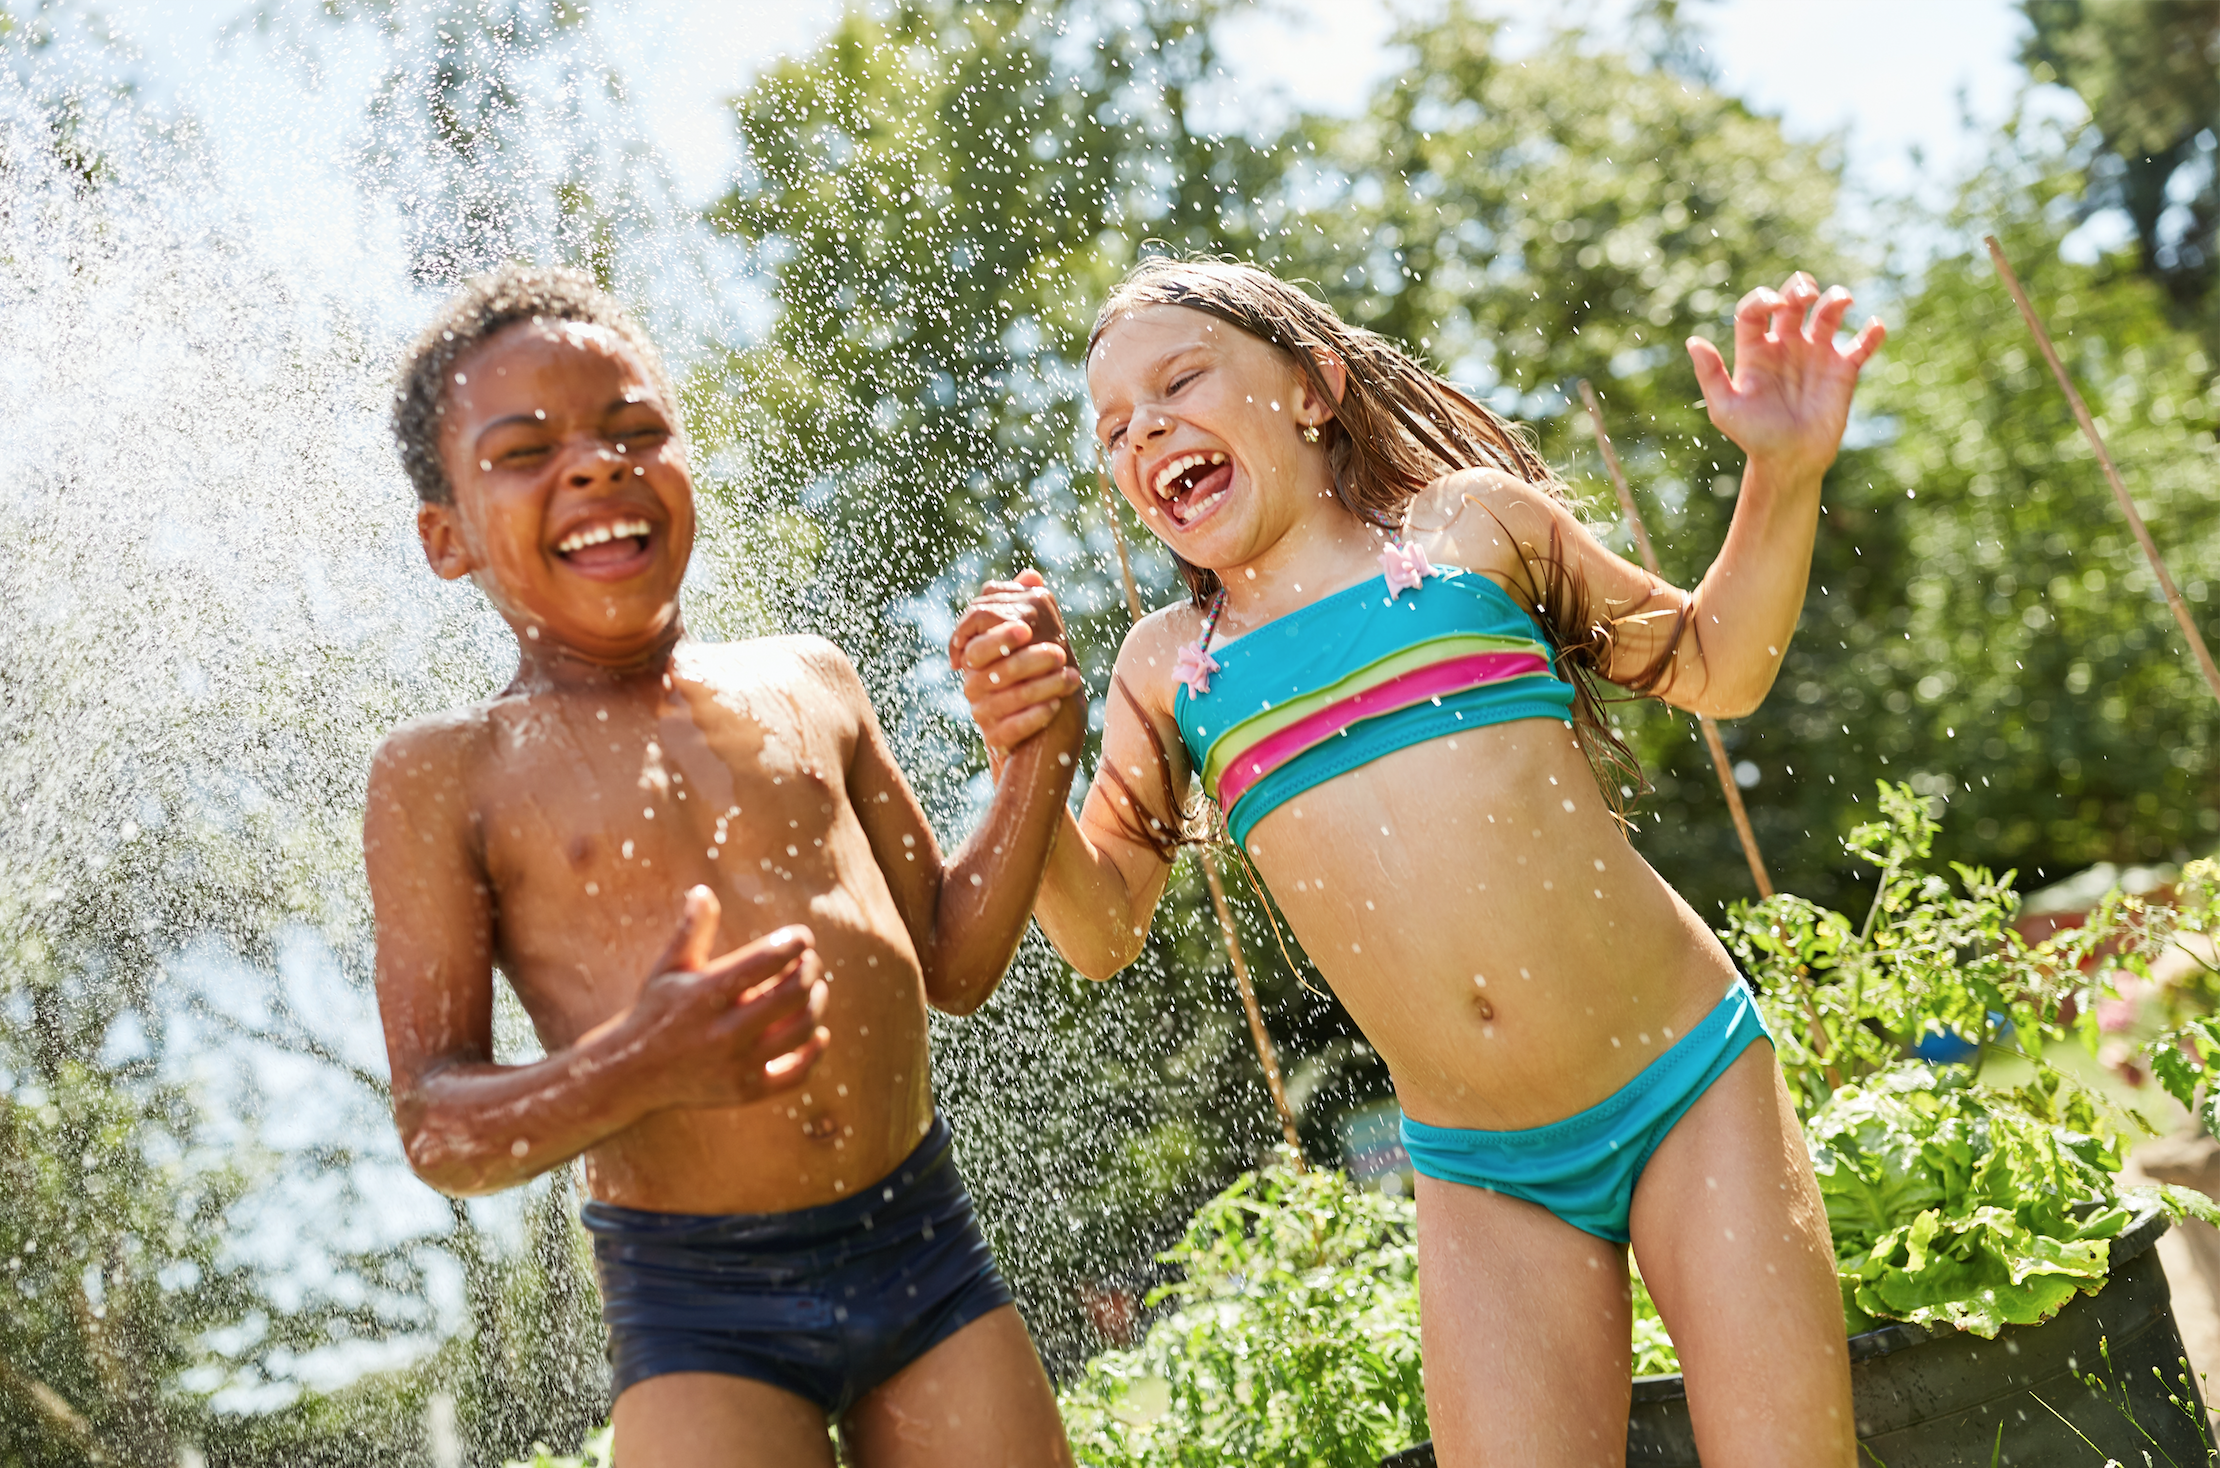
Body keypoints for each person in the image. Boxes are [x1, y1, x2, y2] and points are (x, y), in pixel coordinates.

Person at [951, 257, 1884, 1466]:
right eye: (1116, 429)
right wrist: (1028, 752)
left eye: (1181, 380)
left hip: (1683, 1090)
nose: (1148, 432)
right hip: (1485, 1174)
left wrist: (1784, 471)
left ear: (1312, 386)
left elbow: (1718, 664)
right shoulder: (1169, 667)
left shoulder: (1473, 529)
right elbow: (1099, 929)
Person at [365, 263, 1084, 1468]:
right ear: (446, 538)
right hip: (702, 1306)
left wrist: (1037, 755)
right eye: (525, 451)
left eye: (635, 429)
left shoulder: (809, 680)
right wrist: (638, 1062)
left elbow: (952, 960)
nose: (594, 465)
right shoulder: (451, 775)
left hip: (924, 1244)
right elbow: (440, 1124)